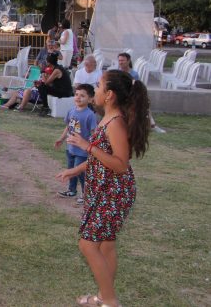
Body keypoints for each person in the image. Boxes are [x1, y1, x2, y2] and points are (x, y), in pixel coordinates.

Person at [56, 70, 150, 307]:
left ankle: (109, 301)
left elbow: (120, 164)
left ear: (109, 95)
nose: (95, 91)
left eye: (98, 86)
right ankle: (103, 296)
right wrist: (74, 171)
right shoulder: (108, 119)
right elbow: (102, 157)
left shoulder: (116, 123)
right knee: (105, 244)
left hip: (113, 192)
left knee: (87, 244)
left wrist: (87, 146)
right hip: (103, 191)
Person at [54, 84, 96, 204]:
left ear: (90, 99)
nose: (78, 97)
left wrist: (91, 148)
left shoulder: (90, 115)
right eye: (76, 94)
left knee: (80, 172)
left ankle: (86, 194)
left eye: (82, 96)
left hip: (82, 151)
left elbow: (94, 133)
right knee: (71, 169)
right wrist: (61, 139)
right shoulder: (71, 111)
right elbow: (68, 127)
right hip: (70, 147)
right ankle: (71, 190)